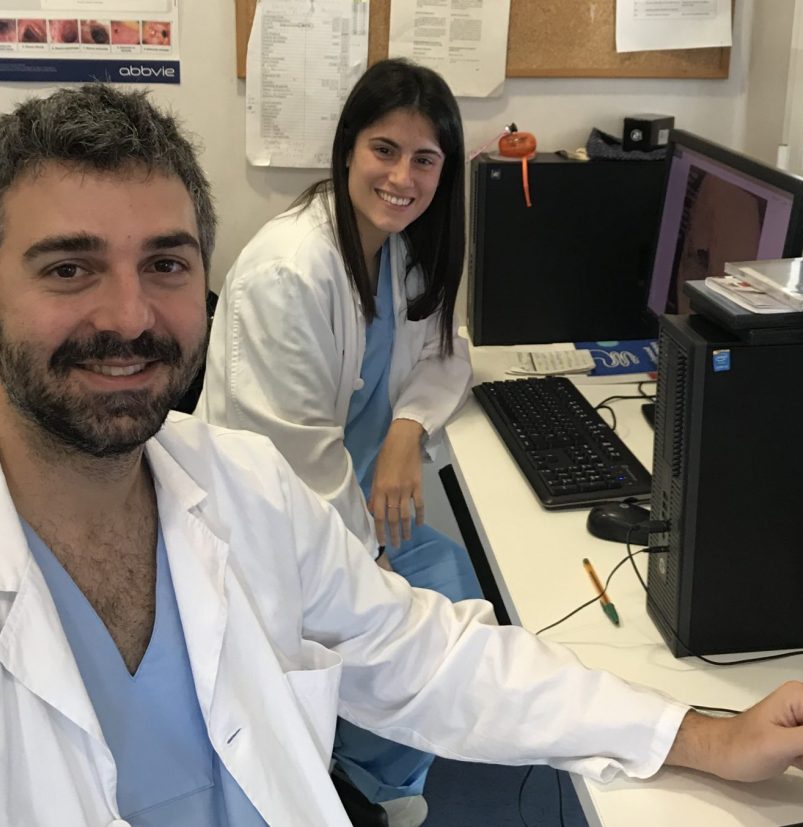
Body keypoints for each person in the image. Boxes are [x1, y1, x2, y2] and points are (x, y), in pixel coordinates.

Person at [0, 85, 803, 827]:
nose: (131, 315)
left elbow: (431, 659)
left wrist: (697, 732)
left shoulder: (241, 488)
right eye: (70, 268)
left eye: (167, 264)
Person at [196, 59, 480, 822]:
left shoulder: (400, 249)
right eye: (385, 149)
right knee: (418, 624)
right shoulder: (290, 274)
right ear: (349, 146)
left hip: (352, 508)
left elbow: (447, 353)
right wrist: (373, 571)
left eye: (425, 159)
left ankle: (376, 774)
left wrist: (406, 431)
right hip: (282, 532)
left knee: (454, 584)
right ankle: (356, 782)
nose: (402, 177)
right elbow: (291, 470)